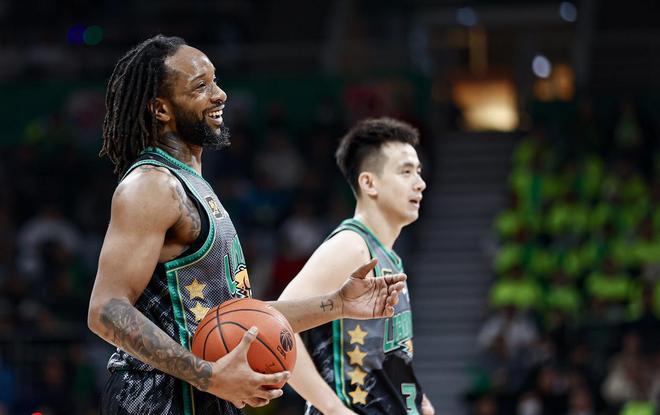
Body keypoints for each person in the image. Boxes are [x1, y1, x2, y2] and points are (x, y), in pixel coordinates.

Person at [87, 35, 407, 415]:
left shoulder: (193, 186)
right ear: (161, 109)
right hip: (156, 400)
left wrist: (337, 304)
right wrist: (208, 375)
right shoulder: (151, 185)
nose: (220, 95)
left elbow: (237, 320)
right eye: (200, 86)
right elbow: (105, 309)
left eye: (216, 80)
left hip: (205, 397)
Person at [279, 118, 435, 414]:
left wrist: (416, 399)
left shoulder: (388, 256)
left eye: (418, 171)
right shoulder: (351, 246)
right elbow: (277, 326)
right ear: (369, 183)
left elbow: (385, 356)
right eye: (406, 172)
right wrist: (333, 409)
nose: (420, 182)